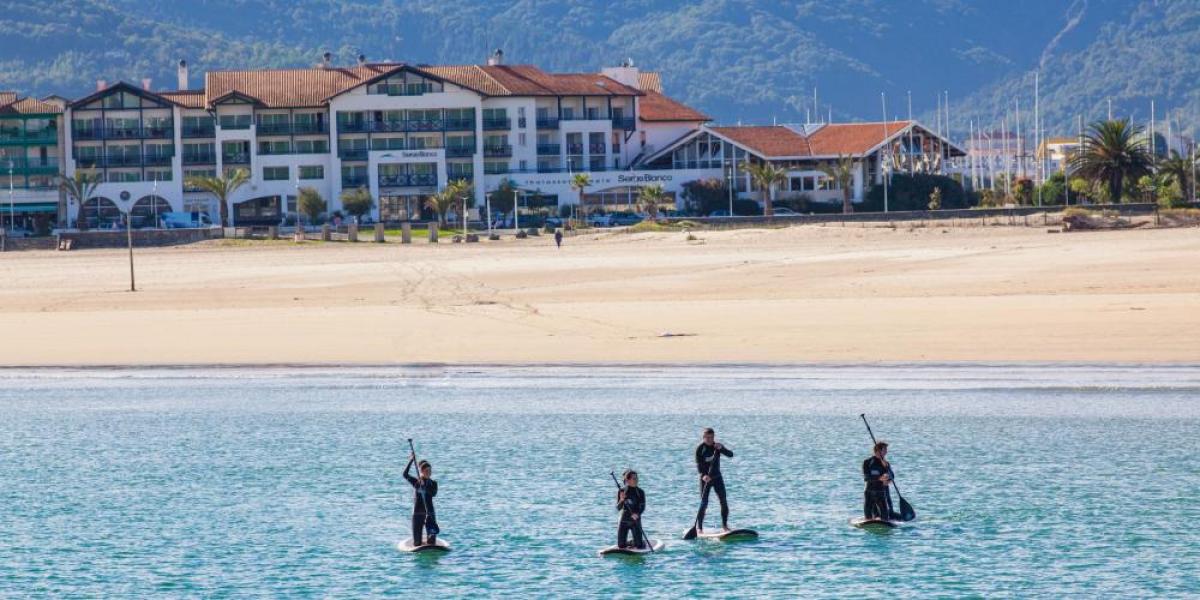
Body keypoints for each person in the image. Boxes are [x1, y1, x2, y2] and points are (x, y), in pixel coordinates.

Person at [694, 427, 734, 533]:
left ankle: (725, 526)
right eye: (707, 437)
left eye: (711, 437)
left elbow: (731, 455)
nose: (709, 439)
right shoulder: (700, 449)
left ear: (714, 437)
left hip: (717, 478)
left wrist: (722, 449)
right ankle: (699, 528)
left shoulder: (717, 447)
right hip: (705, 479)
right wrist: (703, 475)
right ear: (703, 437)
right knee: (704, 503)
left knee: (724, 502)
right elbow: (699, 466)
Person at [403, 453, 439, 546]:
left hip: (430, 514)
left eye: (430, 471)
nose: (429, 473)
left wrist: (425, 487)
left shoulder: (433, 483)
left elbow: (433, 493)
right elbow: (405, 474)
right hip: (418, 513)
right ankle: (419, 541)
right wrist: (411, 461)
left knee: (431, 542)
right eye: (426, 471)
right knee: (417, 543)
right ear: (421, 471)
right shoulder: (416, 482)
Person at [862, 440, 897, 521]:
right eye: (884, 450)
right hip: (869, 492)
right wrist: (879, 478)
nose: (886, 452)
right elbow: (866, 478)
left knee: (885, 517)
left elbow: (892, 476)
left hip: (881, 493)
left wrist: (888, 478)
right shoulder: (867, 462)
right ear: (878, 451)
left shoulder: (886, 464)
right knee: (868, 517)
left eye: (886, 450)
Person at [616, 469, 646, 549]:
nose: (636, 480)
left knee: (639, 546)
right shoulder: (622, 491)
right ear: (628, 480)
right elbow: (618, 508)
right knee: (621, 546)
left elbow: (642, 507)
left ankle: (638, 542)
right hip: (624, 520)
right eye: (634, 478)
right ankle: (631, 542)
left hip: (635, 521)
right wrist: (621, 500)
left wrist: (637, 514)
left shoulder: (640, 492)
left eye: (637, 478)